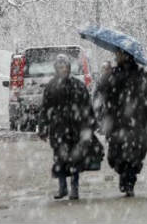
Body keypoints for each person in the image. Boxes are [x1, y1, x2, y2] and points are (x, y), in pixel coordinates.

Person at [98, 49, 147, 197]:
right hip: (117, 122)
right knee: (115, 157)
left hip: (137, 123)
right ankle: (124, 175)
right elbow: (103, 92)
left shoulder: (141, 76)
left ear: (126, 56)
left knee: (134, 156)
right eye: (116, 55)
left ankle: (129, 183)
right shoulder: (113, 75)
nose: (116, 57)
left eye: (119, 55)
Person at [39, 54, 97, 200]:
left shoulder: (78, 85)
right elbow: (45, 109)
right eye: (59, 67)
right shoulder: (51, 87)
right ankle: (62, 187)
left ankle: (74, 188)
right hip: (58, 129)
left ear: (69, 68)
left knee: (74, 159)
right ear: (56, 69)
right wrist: (43, 128)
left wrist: (89, 124)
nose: (62, 69)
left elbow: (87, 106)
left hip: (75, 128)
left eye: (64, 66)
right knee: (60, 158)